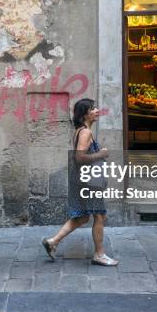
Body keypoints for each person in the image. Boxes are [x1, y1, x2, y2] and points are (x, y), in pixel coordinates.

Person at [41, 98, 119, 266]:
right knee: (99, 215)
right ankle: (99, 254)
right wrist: (102, 154)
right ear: (85, 114)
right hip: (88, 182)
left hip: (82, 180)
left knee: (83, 216)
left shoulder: (79, 130)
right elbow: (79, 157)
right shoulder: (85, 132)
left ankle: (53, 241)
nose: (97, 110)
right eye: (93, 109)